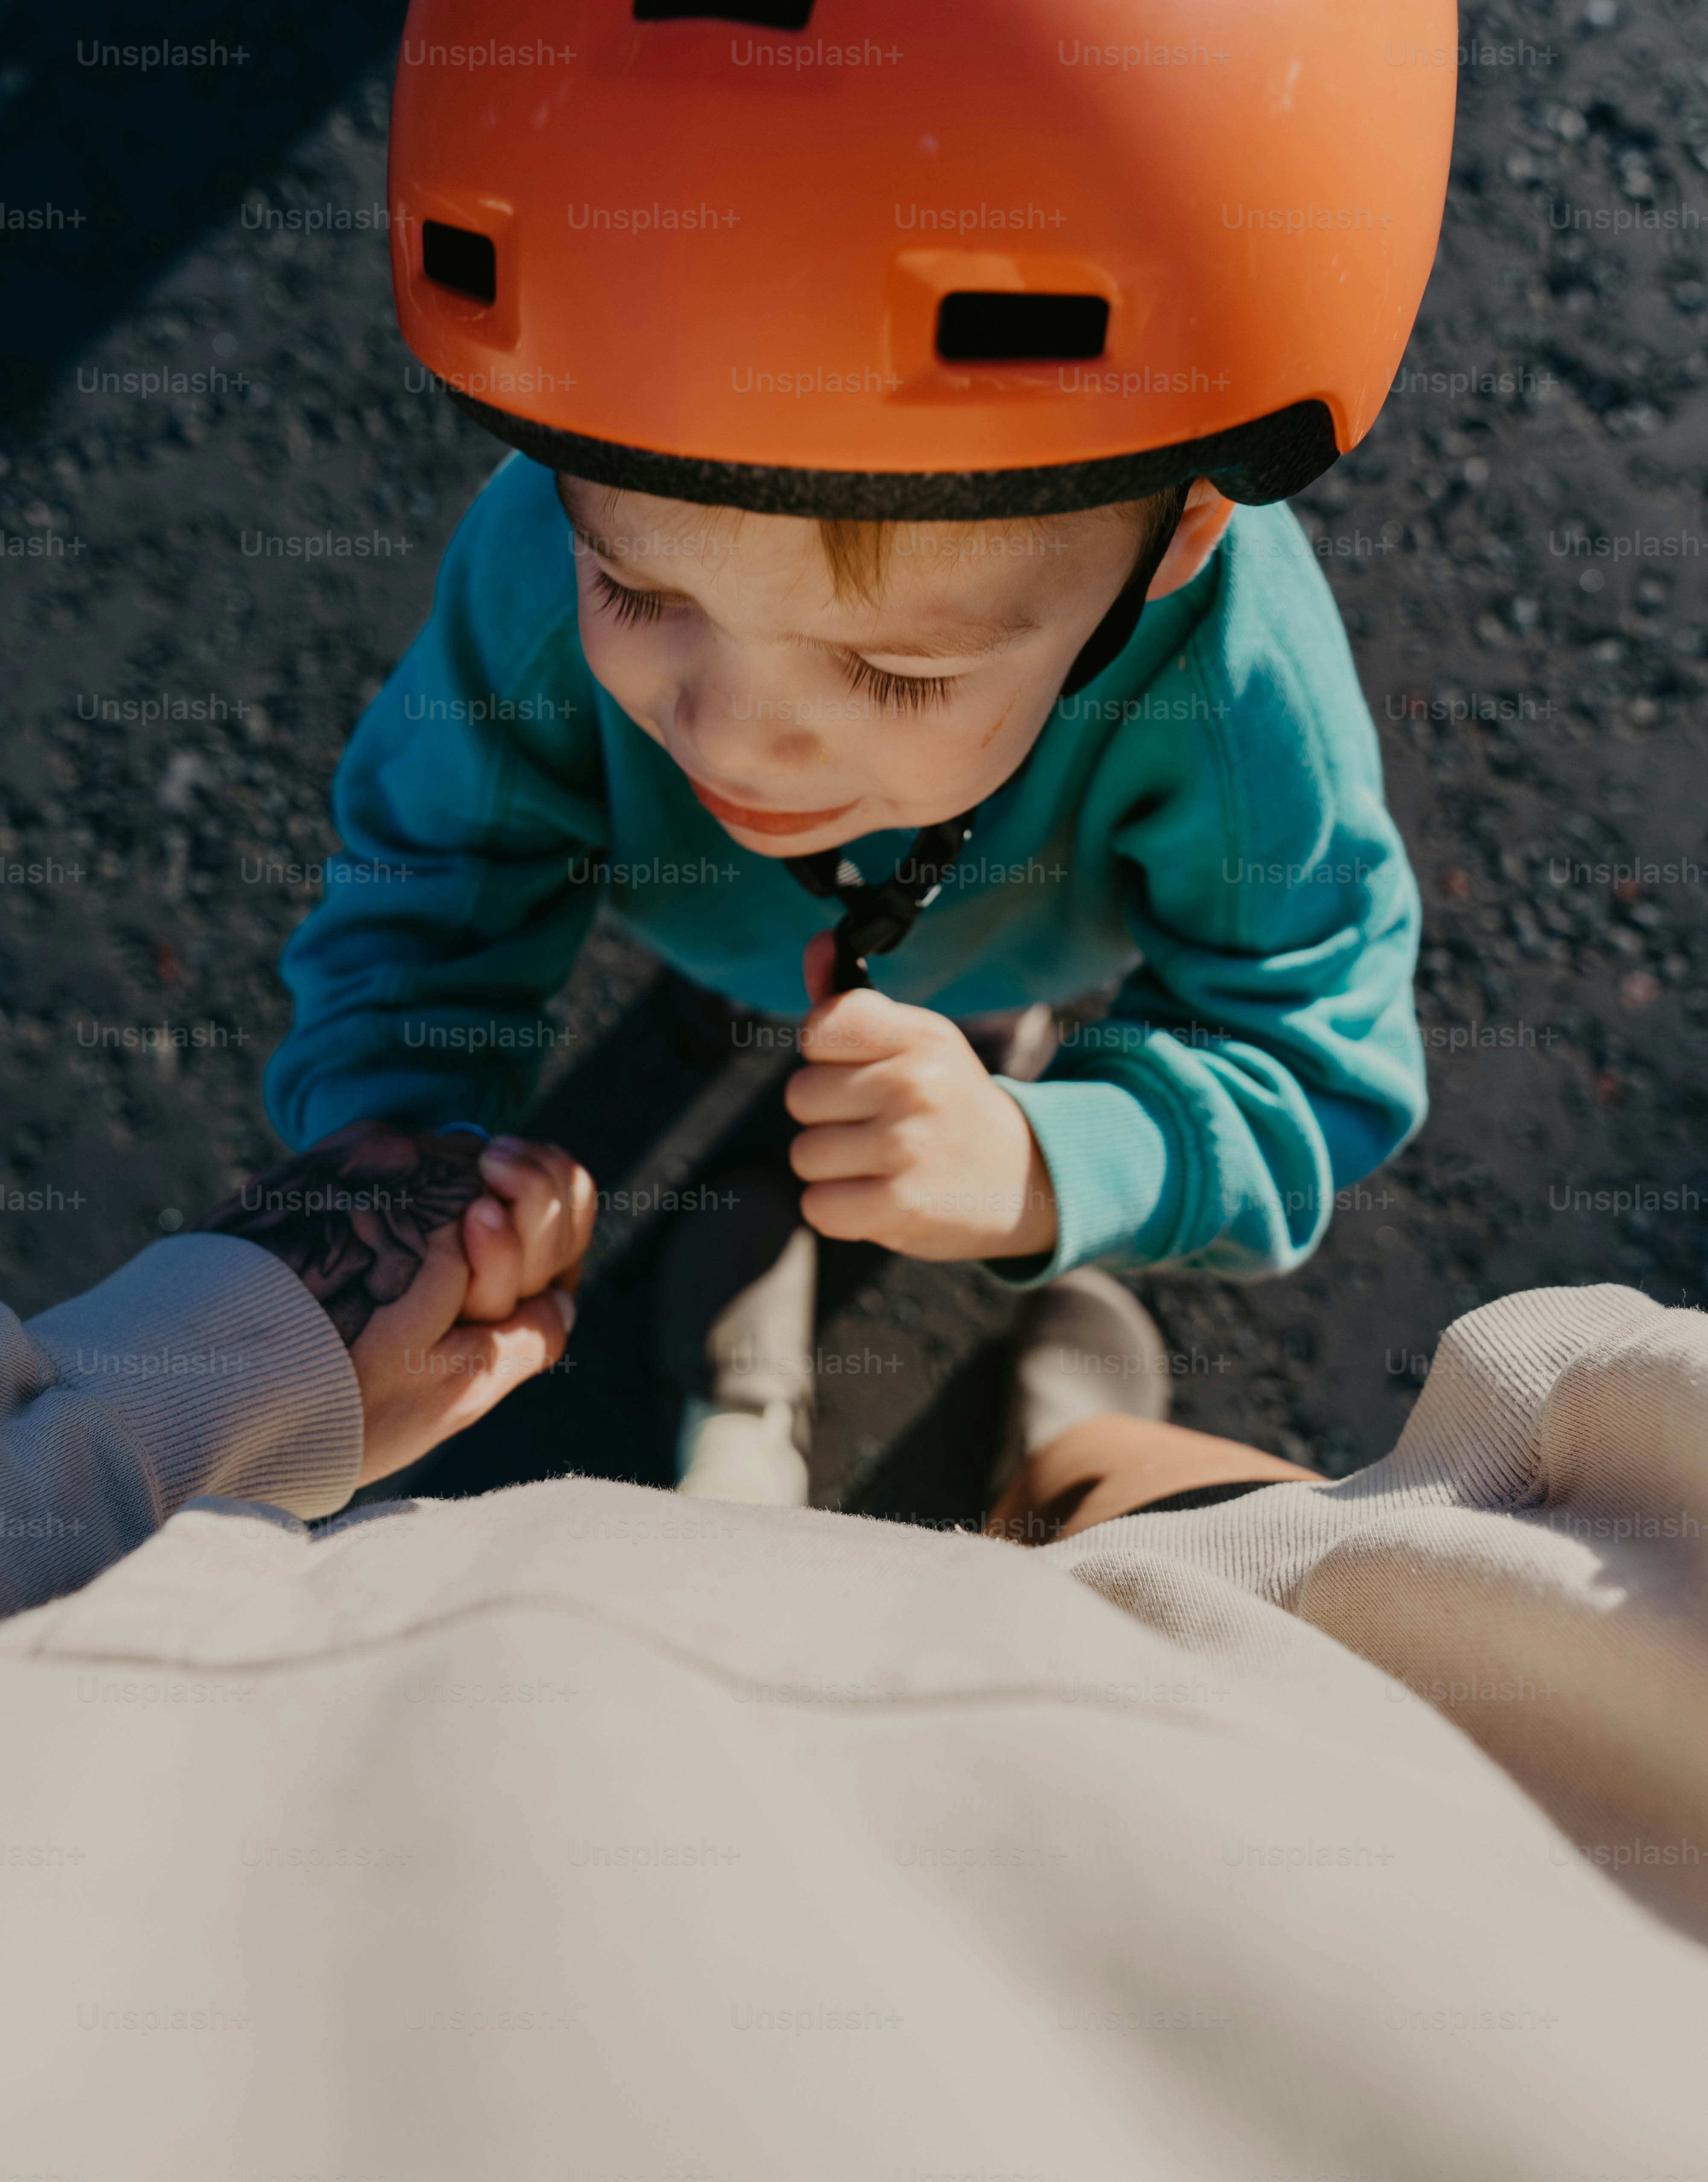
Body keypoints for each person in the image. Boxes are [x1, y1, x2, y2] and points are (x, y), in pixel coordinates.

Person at [3, 1125, 1707, 2182]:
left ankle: (748, 1452)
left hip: (273, 1768)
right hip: (1332, 1779)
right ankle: (1069, 1462)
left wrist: (183, 1377)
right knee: (1272, 1567)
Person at [262, 0, 1454, 1501]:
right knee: (817, 1012)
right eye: (637, 589)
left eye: (901, 670)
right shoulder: (533, 548)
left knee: (928, 1045)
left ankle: (950, 1046)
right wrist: (394, 1137)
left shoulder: (1233, 677)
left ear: (1186, 531)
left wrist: (1046, 1153)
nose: (737, 738)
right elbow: (432, 892)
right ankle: (812, 1011)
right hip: (868, 924)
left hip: (975, 946)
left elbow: (1309, 1041)